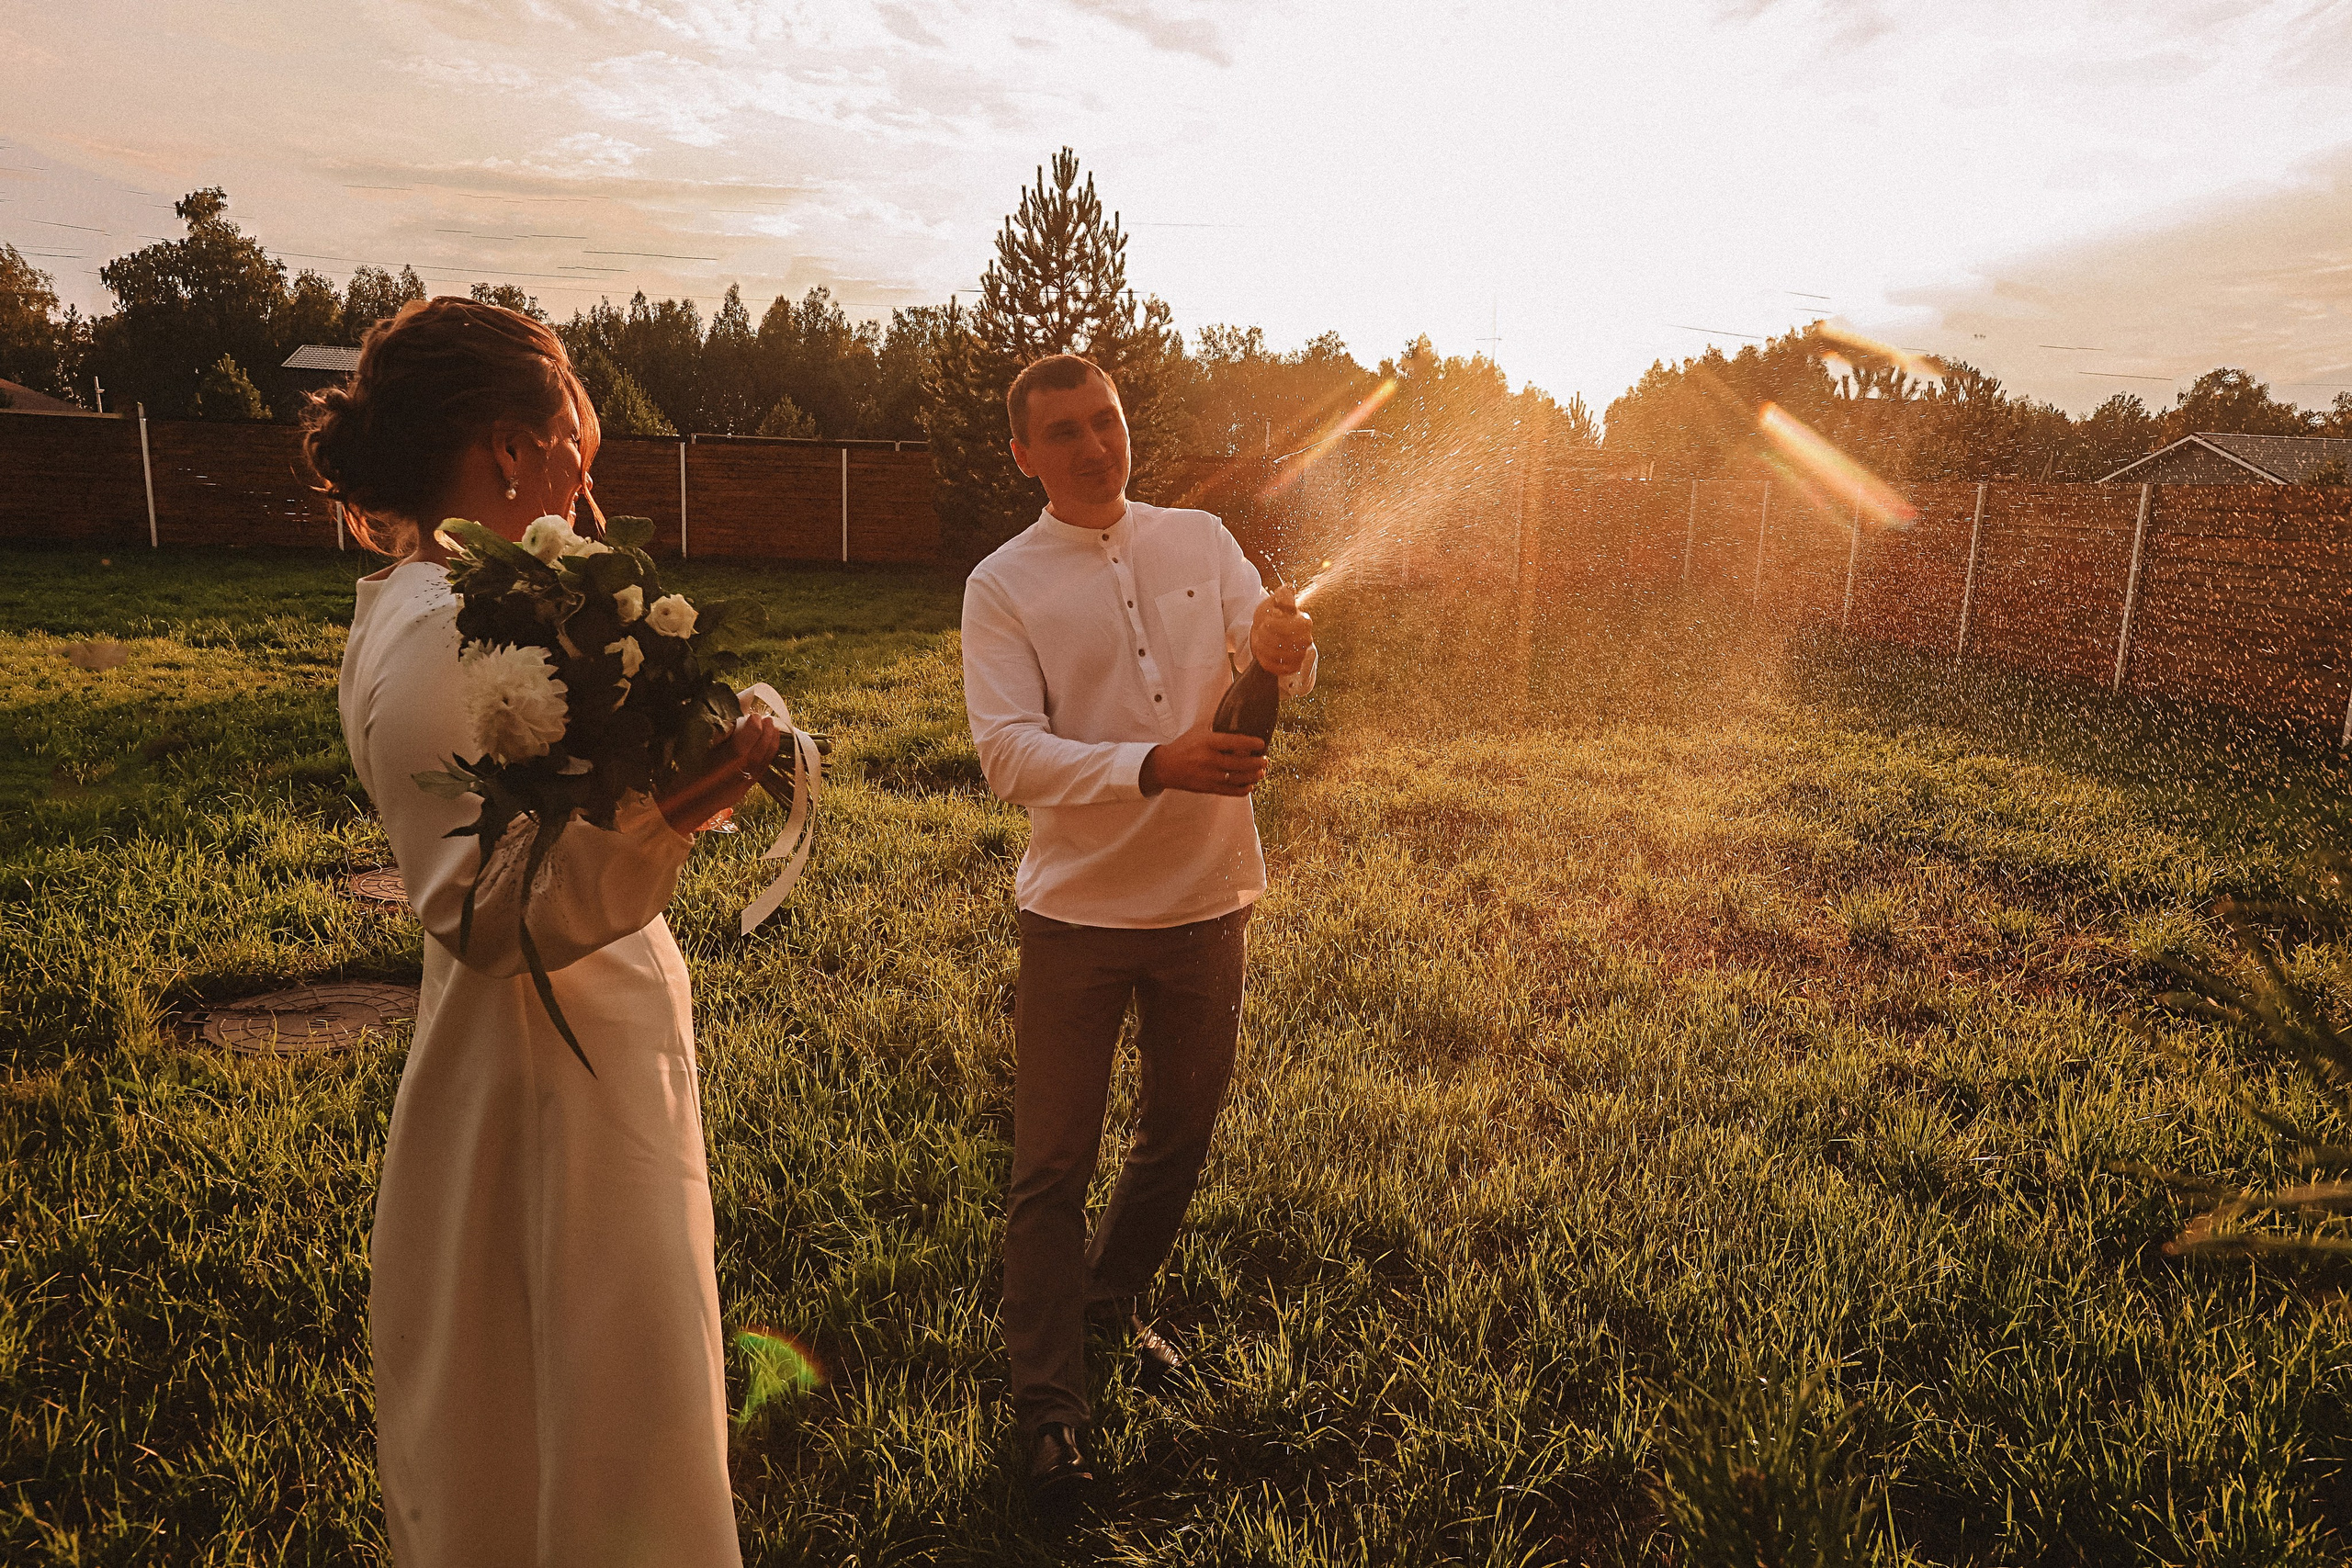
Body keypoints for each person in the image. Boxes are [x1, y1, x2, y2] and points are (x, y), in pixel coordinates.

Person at [307, 297, 780, 1566]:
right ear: (509, 449)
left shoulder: (472, 607)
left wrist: (676, 761)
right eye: (579, 441)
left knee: (623, 1383)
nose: (593, 477)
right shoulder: (430, 636)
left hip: (585, 1048)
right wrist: (695, 794)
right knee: (590, 1404)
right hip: (540, 1083)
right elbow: (483, 909)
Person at [960, 353, 1319, 1503]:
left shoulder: (1201, 538)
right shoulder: (1002, 584)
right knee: (1050, 1167)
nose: (1093, 446)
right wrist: (1153, 766)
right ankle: (1050, 1407)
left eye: (1105, 422)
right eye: (1063, 432)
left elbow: (1284, 670)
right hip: (1074, 917)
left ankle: (1110, 1305)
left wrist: (1288, 648)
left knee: (1177, 1134)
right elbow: (1006, 753)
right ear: (1023, 454)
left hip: (1210, 906)